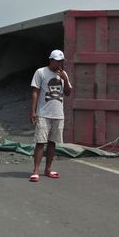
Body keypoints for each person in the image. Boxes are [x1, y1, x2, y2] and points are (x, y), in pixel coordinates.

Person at [29, 49, 72, 182]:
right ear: (51, 60)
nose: (59, 64)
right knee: (41, 142)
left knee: (52, 143)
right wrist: (33, 111)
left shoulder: (63, 74)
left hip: (58, 115)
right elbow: (35, 91)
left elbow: (68, 93)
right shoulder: (41, 72)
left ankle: (48, 169)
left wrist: (64, 79)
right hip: (43, 113)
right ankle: (36, 171)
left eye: (61, 61)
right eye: (57, 61)